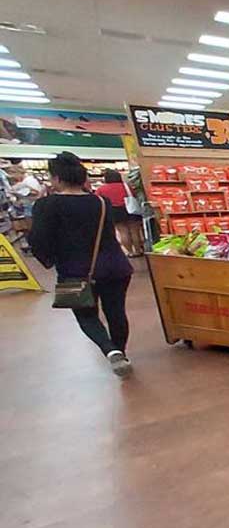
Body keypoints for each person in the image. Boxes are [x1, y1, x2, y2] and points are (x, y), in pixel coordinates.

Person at [29, 152, 134, 378]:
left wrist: (49, 259)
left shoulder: (46, 205)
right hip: (115, 266)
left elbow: (38, 239)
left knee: (86, 316)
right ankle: (120, 354)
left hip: (74, 270)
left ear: (56, 178)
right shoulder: (100, 202)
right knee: (116, 312)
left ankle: (110, 350)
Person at [95, 169, 144, 257]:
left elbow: (97, 199)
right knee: (134, 231)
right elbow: (134, 195)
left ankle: (130, 252)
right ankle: (138, 250)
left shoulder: (101, 189)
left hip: (114, 211)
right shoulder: (126, 186)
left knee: (123, 231)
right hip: (129, 208)